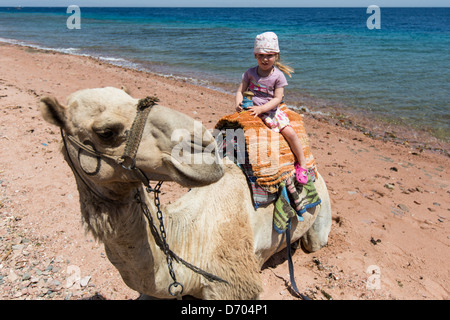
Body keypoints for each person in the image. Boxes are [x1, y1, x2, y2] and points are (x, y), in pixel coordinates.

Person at [235, 31, 308, 184]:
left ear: (276, 56)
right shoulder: (250, 73)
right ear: (255, 56)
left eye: (269, 55)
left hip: (270, 112)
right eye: (261, 55)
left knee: (290, 133)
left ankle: (302, 164)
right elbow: (240, 91)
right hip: (251, 109)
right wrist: (238, 103)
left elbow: (277, 98)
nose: (265, 59)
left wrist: (261, 109)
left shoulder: (278, 76)